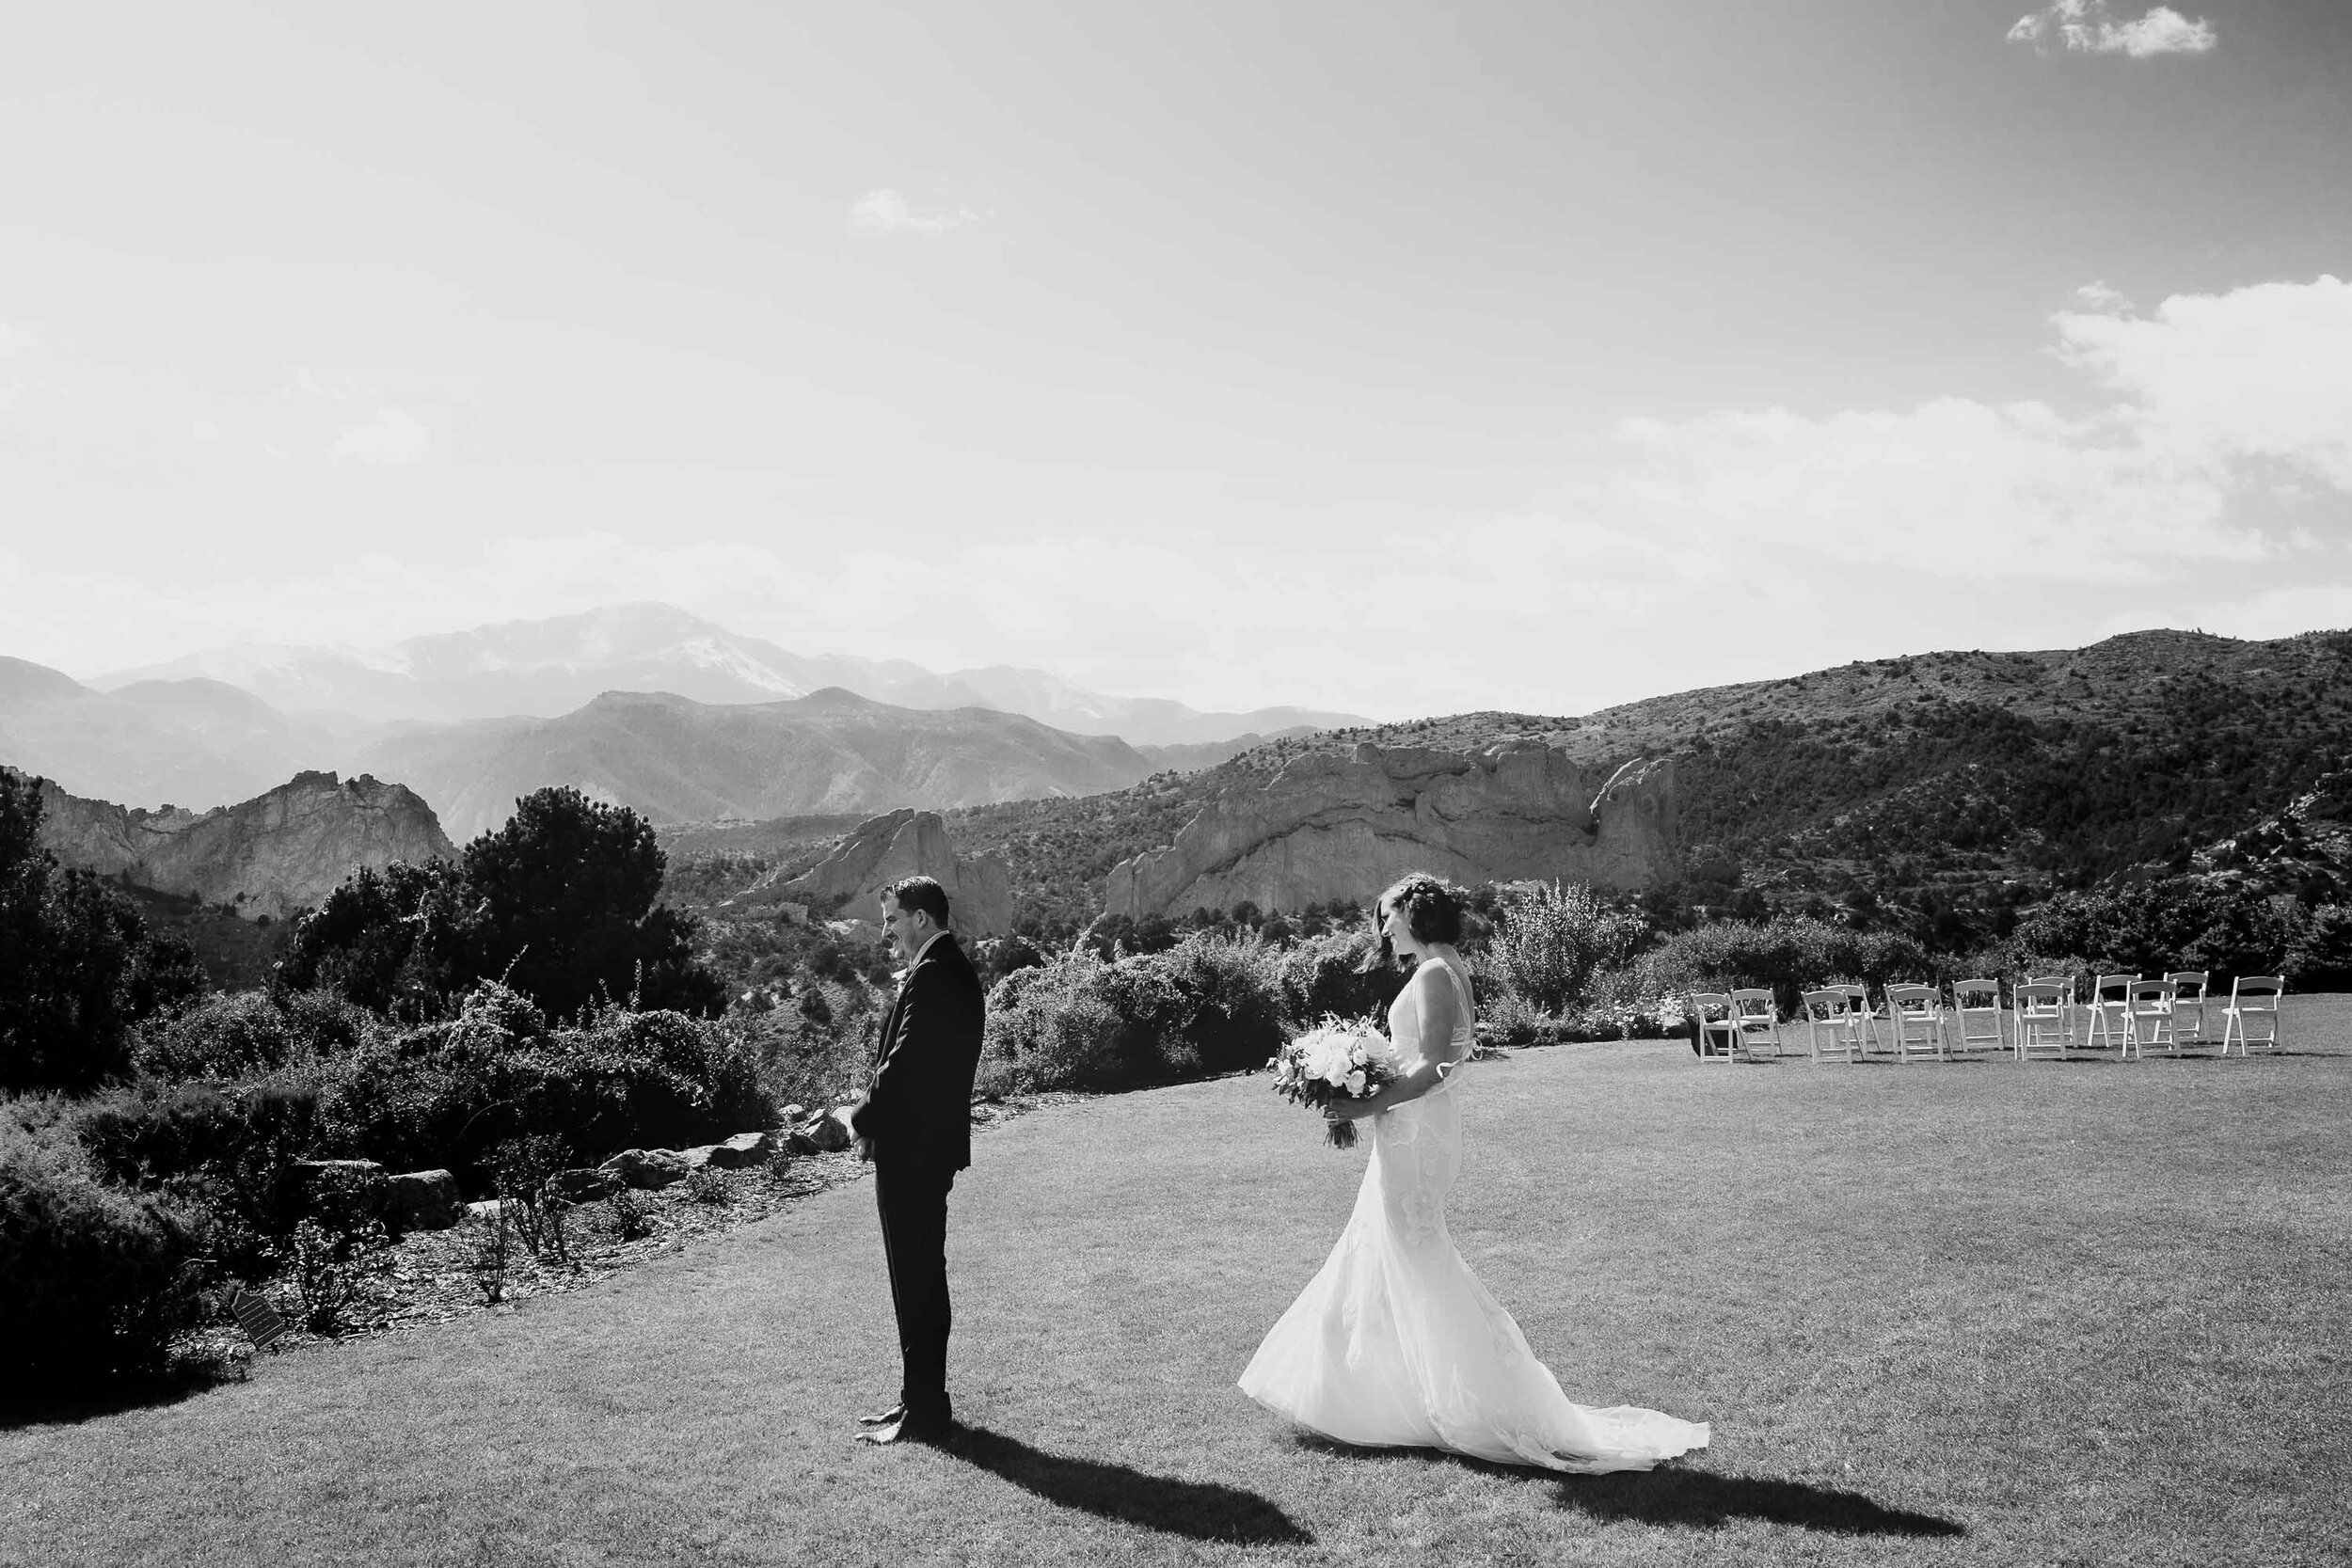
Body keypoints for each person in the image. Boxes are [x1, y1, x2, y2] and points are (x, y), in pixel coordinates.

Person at [1238, 872, 1709, 1472]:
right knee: (1392, 1253)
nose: (1382, 928)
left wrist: (1367, 1101)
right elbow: (1435, 1062)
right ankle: (1394, 1392)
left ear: (1415, 916)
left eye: (1388, 917)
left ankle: (1455, 1399)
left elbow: (1437, 1064)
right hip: (1418, 1126)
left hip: (1416, 1129)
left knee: (1413, 1255)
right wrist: (1367, 1079)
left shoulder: (1435, 973)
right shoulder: (1448, 967)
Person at [847, 875, 986, 1447]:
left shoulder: (937, 974)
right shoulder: (941, 969)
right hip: (917, 1148)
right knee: (914, 1277)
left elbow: (905, 1067)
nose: (887, 933)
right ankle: (915, 1400)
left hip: (916, 1153)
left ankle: (926, 1411)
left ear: (922, 918)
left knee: (919, 1278)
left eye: (893, 920)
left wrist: (857, 1118)